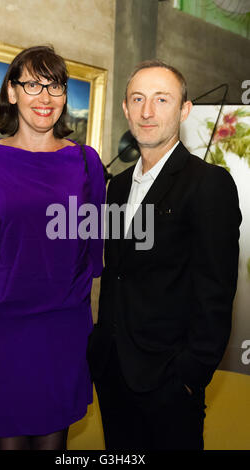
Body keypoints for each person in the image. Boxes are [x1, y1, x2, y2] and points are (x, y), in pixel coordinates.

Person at [87, 60, 242, 450]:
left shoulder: (208, 184)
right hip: (113, 371)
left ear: (184, 109)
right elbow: (119, 274)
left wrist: (190, 375)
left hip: (170, 382)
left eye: (161, 99)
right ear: (125, 108)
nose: (147, 111)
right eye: (137, 99)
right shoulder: (118, 187)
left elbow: (216, 292)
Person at [0, 45, 106, 450]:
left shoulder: (86, 161)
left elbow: (93, 241)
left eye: (55, 85)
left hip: (63, 323)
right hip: (3, 324)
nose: (45, 97)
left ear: (64, 96)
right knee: (7, 442)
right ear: (11, 93)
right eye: (32, 85)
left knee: (53, 443)